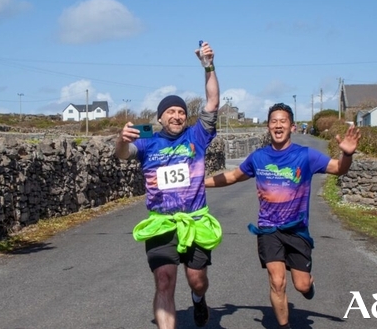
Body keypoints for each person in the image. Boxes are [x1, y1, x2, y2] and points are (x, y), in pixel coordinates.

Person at [204, 103, 361, 329]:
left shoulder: (305, 155)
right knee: (277, 281)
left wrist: (347, 154)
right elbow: (232, 177)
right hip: (268, 229)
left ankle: (308, 285)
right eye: (274, 121)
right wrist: (201, 184)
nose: (278, 125)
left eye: (283, 121)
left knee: (302, 285)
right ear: (268, 126)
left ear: (292, 126)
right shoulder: (258, 157)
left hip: (296, 230)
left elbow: (339, 169)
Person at [115, 42, 221, 329]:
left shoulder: (196, 137)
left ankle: (199, 300)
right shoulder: (148, 142)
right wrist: (122, 140)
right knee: (164, 280)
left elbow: (212, 102)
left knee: (197, 280)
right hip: (161, 223)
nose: (176, 116)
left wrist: (208, 65)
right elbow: (123, 155)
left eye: (181, 111)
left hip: (195, 221)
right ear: (160, 117)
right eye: (170, 112)